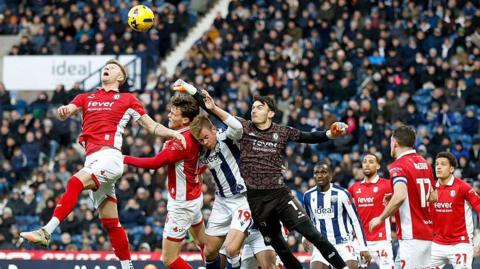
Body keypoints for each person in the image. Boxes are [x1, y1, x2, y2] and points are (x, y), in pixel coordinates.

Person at [20, 59, 183, 269]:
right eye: (106, 66)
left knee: (74, 182)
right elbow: (69, 109)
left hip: (110, 157)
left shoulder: (127, 99)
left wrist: (172, 133)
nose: (107, 68)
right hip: (93, 159)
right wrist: (65, 110)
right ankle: (127, 266)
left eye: (113, 67)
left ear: (121, 77)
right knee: (111, 223)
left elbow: (151, 126)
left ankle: (46, 231)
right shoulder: (86, 97)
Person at [175, 81, 348, 269]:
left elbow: (309, 137)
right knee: (280, 248)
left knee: (313, 235)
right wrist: (193, 91)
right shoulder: (244, 130)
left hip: (279, 195)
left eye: (259, 107)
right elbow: (214, 110)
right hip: (256, 202)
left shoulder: (281, 131)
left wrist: (331, 133)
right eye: (252, 107)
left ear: (271, 113)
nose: (254, 110)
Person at [186, 87, 277, 269]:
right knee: (210, 251)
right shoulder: (201, 150)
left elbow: (237, 126)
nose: (204, 142)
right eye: (200, 140)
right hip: (222, 201)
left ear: (213, 129)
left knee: (231, 248)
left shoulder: (227, 137)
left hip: (244, 200)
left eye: (205, 137)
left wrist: (213, 108)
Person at [123, 93, 204, 269]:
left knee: (169, 259)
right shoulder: (195, 132)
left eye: (173, 113)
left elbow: (154, 163)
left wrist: (123, 158)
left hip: (182, 205)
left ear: (185, 120)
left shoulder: (180, 142)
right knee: (203, 243)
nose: (169, 115)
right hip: (195, 195)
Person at [369, 125, 435, 269]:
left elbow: (400, 195)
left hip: (411, 236)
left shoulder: (398, 165)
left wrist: (380, 218)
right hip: (429, 234)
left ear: (395, 143)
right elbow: (432, 196)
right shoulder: (425, 164)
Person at [303, 163, 370, 269]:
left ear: (331, 176)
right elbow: (308, 220)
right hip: (322, 244)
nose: (319, 175)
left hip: (344, 243)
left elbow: (355, 220)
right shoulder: (308, 196)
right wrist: (305, 237)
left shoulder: (342, 193)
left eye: (323, 172)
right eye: (316, 173)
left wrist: (363, 247)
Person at [430, 152, 480, 269]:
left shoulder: (463, 187)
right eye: (436, 164)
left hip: (460, 243)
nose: (438, 167)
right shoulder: (431, 188)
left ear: (451, 169)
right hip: (436, 243)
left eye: (443, 164)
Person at [348, 153, 394, 268]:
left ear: (378, 166)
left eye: (371, 162)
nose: (367, 164)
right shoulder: (354, 188)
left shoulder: (388, 184)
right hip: (360, 242)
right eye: (364, 162)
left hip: (381, 240)